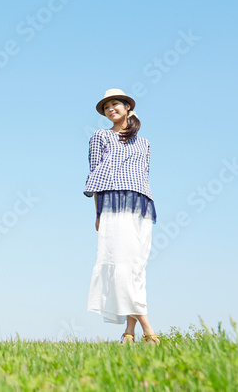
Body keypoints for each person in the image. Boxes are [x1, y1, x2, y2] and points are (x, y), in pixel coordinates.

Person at [83, 88, 159, 345]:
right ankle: (149, 330)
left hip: (141, 204)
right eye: (106, 107)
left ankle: (129, 333)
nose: (110, 109)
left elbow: (144, 175)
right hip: (113, 204)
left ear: (128, 107)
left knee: (136, 267)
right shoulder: (100, 136)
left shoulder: (145, 143)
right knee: (119, 263)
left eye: (115, 104)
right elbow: (95, 175)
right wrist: (98, 213)